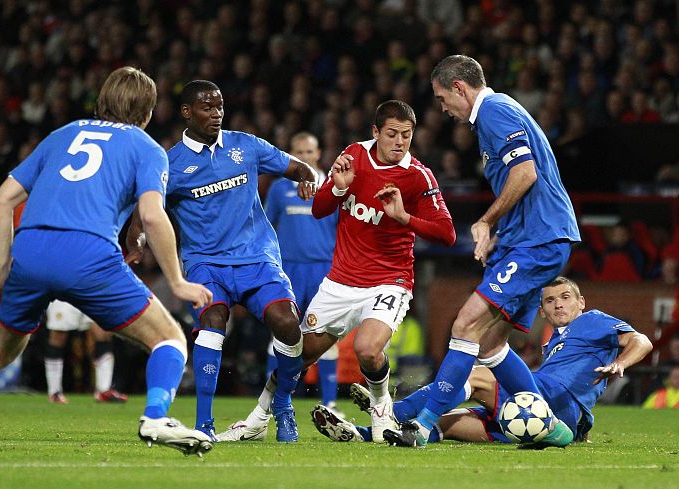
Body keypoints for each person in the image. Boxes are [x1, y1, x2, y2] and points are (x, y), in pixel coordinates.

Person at [0, 66, 214, 457]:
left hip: (31, 251)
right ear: (148, 112)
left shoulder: (63, 134)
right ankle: (155, 416)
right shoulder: (147, 147)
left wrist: (4, 270)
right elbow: (153, 214)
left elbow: (1, 202)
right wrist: (177, 281)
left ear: (102, 101)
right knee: (167, 338)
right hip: (88, 255)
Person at [219, 100, 456, 443]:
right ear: (376, 132)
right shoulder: (354, 156)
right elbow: (318, 208)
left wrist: (405, 218)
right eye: (392, 134)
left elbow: (447, 234)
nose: (400, 141)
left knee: (368, 349)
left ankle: (380, 409)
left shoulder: (418, 176)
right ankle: (256, 420)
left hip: (390, 280)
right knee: (298, 356)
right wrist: (340, 187)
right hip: (341, 282)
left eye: (406, 135)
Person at [400, 54, 581, 448]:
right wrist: (502, 231)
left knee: (465, 324)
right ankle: (552, 427)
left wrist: (485, 221)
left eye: (442, 98)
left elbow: (526, 173)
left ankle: (425, 423)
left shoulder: (494, 111)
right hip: (529, 239)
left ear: (460, 88)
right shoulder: (499, 114)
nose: (442, 108)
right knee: (489, 344)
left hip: (538, 242)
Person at [311, 277, 653, 446]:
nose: (558, 305)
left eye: (566, 298)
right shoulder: (554, 340)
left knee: (477, 375)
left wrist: (622, 362)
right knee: (443, 421)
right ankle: (363, 435)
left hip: (550, 403)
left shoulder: (592, 320)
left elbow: (641, 340)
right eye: (549, 301)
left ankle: (388, 411)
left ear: (581, 302)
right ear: (544, 309)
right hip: (529, 414)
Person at [165, 80, 319, 442]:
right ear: (187, 112)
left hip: (256, 258)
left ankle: (281, 406)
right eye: (207, 107)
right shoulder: (171, 163)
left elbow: (297, 167)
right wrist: (137, 234)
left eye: (220, 106)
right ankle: (205, 424)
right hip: (206, 264)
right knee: (213, 320)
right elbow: (147, 204)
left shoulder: (246, 146)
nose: (217, 113)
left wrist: (306, 178)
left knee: (287, 323)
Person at [262, 132, 340, 412]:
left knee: (325, 332)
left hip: (324, 271)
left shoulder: (332, 187)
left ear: (318, 154)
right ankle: (274, 400)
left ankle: (329, 402)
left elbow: (342, 231)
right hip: (289, 270)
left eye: (309, 152)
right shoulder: (279, 189)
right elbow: (267, 226)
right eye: (299, 153)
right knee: (282, 333)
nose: (305, 157)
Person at [43, 300, 128, 404]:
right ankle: (54, 392)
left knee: (104, 332)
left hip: (92, 287)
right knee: (58, 335)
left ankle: (103, 390)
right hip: (64, 287)